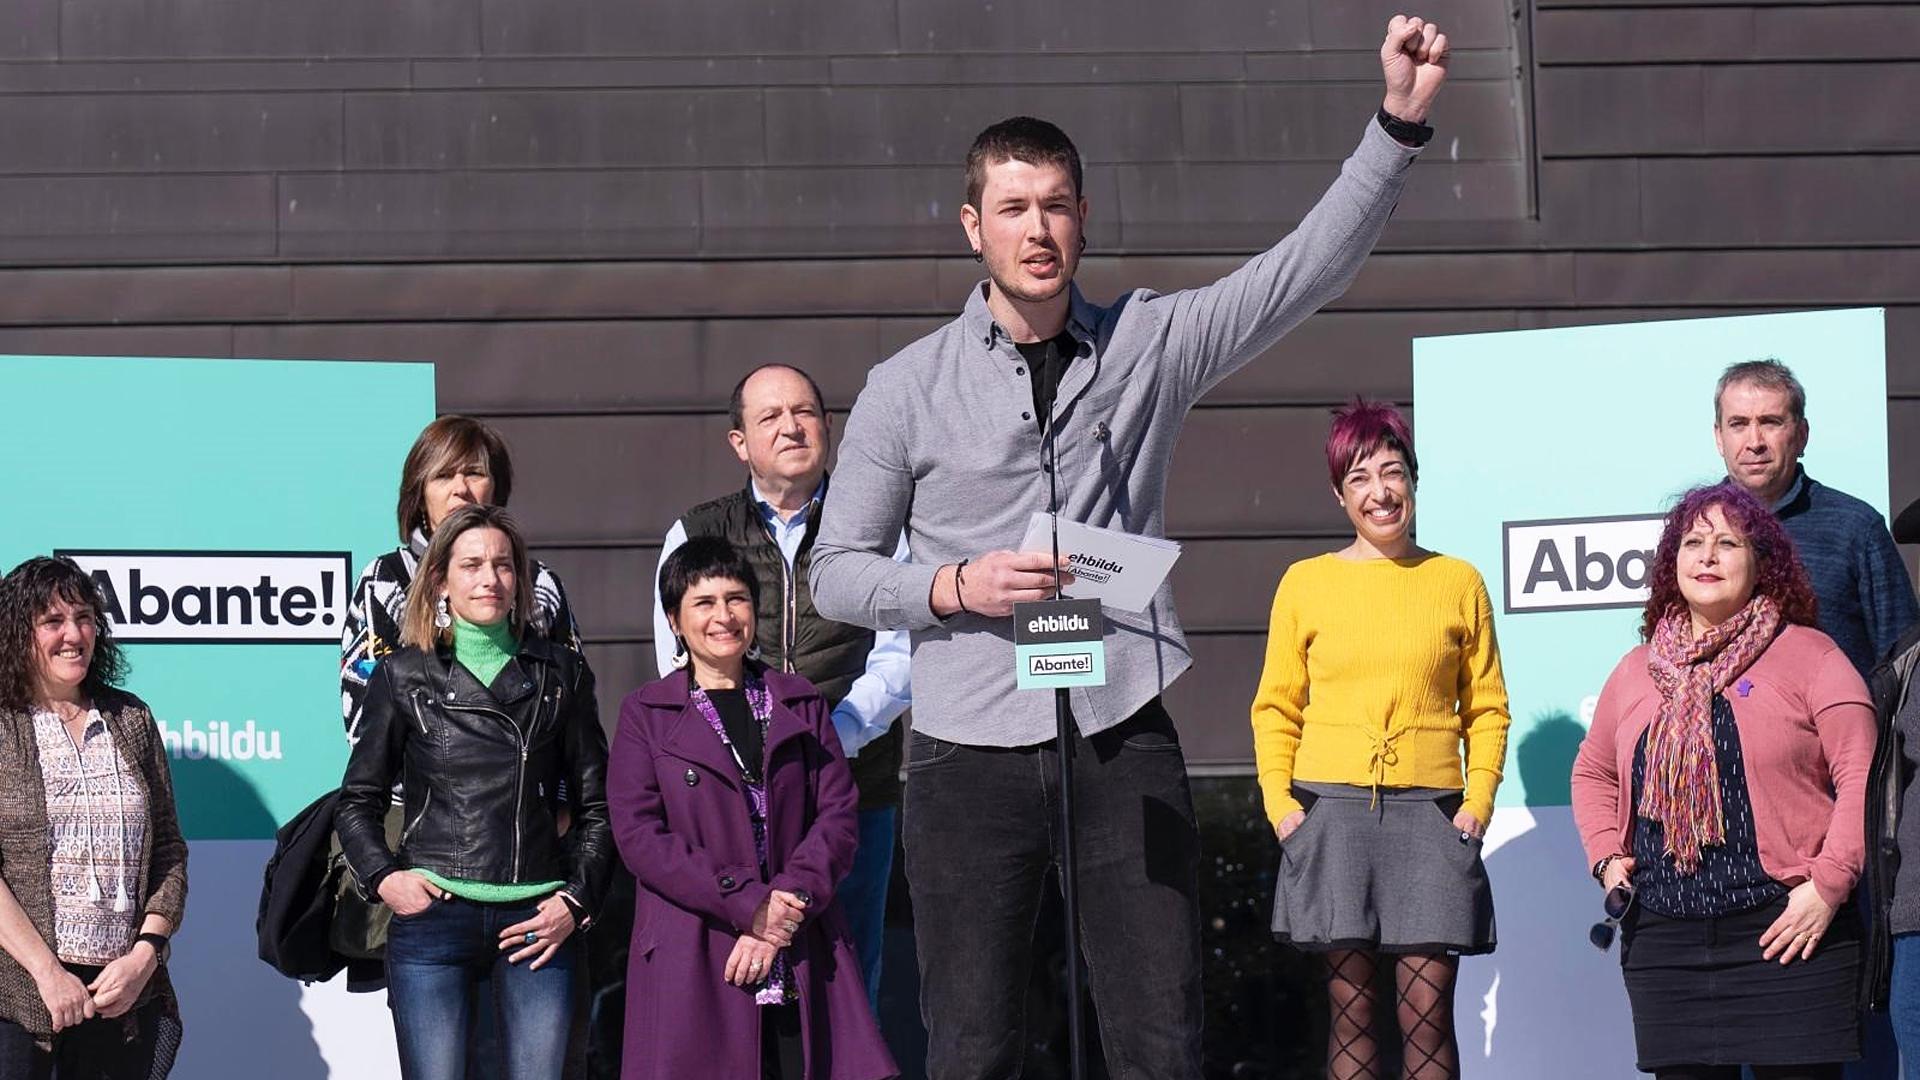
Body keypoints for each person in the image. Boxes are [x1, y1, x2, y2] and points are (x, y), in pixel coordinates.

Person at [808, 15, 1451, 1077]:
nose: (1037, 229)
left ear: (1084, 218)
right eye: (1012, 209)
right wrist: (958, 584)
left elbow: (1301, 273)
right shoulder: (905, 387)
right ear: (973, 227)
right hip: (967, 747)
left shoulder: (1149, 342)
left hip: (1118, 727)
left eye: (1056, 206)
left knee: (1161, 1033)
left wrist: (1397, 126)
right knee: (971, 1043)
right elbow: (835, 574)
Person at [1572, 482, 1875, 1080]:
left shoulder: (1812, 657)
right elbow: (1594, 770)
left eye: (1727, 543)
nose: (1707, 555)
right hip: (1665, 940)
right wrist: (1607, 856)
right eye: (1693, 542)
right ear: (1672, 563)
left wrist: (1829, 887)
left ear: (1763, 564)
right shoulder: (1638, 670)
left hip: (1790, 933)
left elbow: (1863, 774)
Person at [1249, 401, 1508, 1080]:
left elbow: (1487, 708)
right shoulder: (1305, 583)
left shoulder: (1458, 581)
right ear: (1339, 495)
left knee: (1427, 1012)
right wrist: (1283, 809)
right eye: (1360, 477)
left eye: (1393, 473)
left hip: (1433, 816)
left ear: (1415, 483)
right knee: (1352, 1010)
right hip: (1329, 812)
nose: (1380, 492)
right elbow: (1275, 706)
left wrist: (1476, 805)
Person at [651, 363, 911, 1012]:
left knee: (847, 981)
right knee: (735, 984)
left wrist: (835, 736)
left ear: (828, 427)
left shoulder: (877, 525)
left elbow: (904, 651)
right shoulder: (697, 532)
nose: (792, 427)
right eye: (770, 417)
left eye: (805, 413)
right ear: (739, 442)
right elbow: (675, 665)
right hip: (732, 799)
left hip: (852, 788)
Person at [335, 505, 612, 1080]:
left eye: (504, 565)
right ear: (440, 579)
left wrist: (575, 901)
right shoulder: (402, 675)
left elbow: (596, 807)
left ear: (521, 579)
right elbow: (357, 799)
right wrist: (387, 879)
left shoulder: (562, 674)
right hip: (433, 920)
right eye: (472, 565)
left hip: (538, 919)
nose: (490, 578)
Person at [612, 537, 895, 1079]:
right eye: (704, 602)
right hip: (696, 945)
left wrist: (781, 910)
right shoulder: (645, 714)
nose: (724, 616)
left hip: (800, 937)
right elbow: (640, 836)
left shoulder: (800, 701)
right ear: (674, 620)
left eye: (736, 599)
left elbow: (837, 817)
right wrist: (748, 906)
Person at [0, 556, 188, 1078]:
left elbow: (169, 852)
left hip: (121, 995)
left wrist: (144, 957)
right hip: (16, 996)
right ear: (18, 634)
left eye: (84, 617)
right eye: (53, 622)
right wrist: (46, 972)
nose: (74, 634)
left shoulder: (130, 718)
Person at [342, 414, 585, 745]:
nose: (461, 489)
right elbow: (365, 725)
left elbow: (574, 714)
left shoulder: (540, 584)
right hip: (418, 795)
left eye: (474, 473)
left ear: (496, 489)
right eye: (443, 476)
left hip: (526, 791)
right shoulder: (385, 582)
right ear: (420, 496)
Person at [1713, 359, 1917, 679]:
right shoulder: (1693, 531)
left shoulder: (1856, 528)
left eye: (1770, 422)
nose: (1754, 442)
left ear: (1802, 435)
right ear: (1718, 438)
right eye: (1738, 424)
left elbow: (1905, 661)